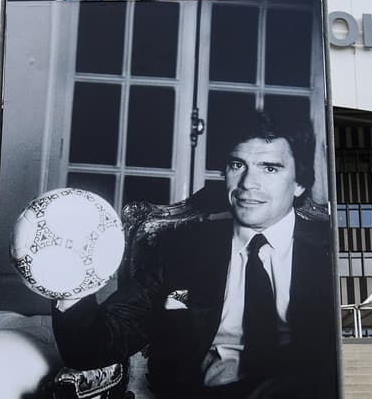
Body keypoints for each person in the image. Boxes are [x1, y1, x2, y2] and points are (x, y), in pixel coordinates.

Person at [52, 112, 338, 398]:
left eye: (270, 169)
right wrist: (72, 279)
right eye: (238, 165)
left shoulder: (334, 252)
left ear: (299, 182)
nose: (248, 183)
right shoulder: (180, 249)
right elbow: (97, 346)